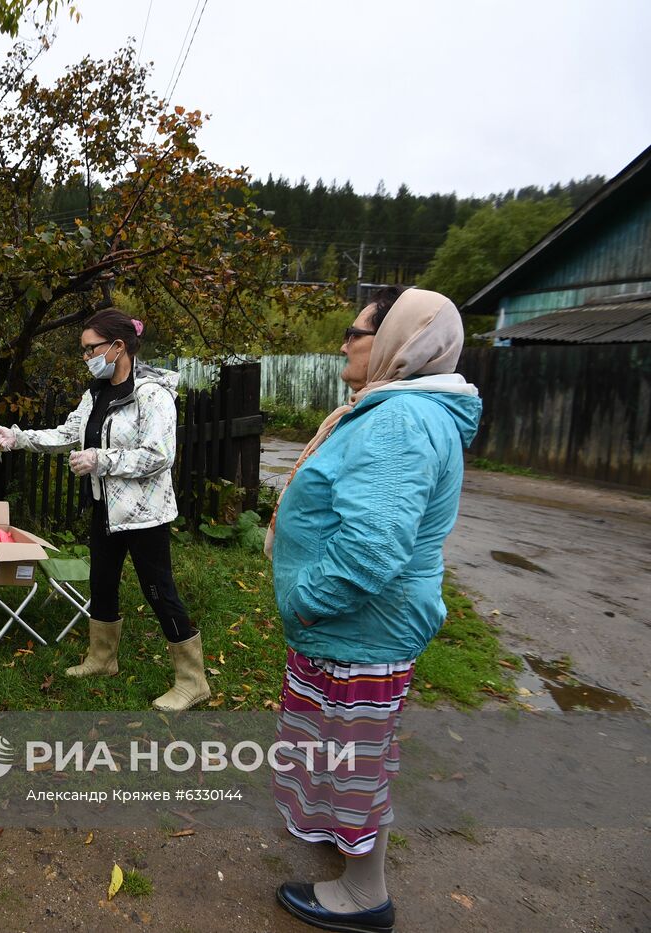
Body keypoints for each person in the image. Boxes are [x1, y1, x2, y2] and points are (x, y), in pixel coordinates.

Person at [266, 286, 482, 933]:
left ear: (398, 343)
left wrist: (305, 601)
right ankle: (345, 849)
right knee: (348, 755)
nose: (345, 343)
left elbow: (370, 549)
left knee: (355, 762)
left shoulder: (400, 422)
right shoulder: (397, 411)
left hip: (358, 627)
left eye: (356, 332)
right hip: (355, 627)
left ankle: (365, 894)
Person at [0, 309, 209, 711]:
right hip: (105, 510)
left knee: (159, 592)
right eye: (84, 351)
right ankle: (103, 659)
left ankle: (193, 681)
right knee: (101, 584)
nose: (86, 357)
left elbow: (159, 455)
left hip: (144, 516)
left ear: (118, 346)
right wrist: (16, 438)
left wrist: (101, 461)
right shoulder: (96, 393)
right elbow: (68, 434)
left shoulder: (152, 395)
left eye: (91, 349)